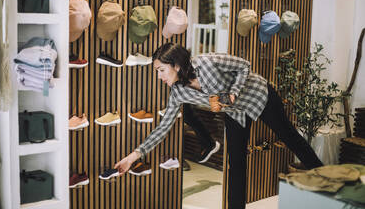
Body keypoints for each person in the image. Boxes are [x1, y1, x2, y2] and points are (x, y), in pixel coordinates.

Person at [115, 43, 323, 209]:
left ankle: (330, 183)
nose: (159, 76)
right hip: (234, 112)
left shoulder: (207, 62)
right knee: (236, 163)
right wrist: (133, 157)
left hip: (258, 95)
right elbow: (163, 128)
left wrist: (233, 91)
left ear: (176, 65)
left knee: (290, 138)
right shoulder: (178, 92)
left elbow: (244, 65)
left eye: (161, 70)